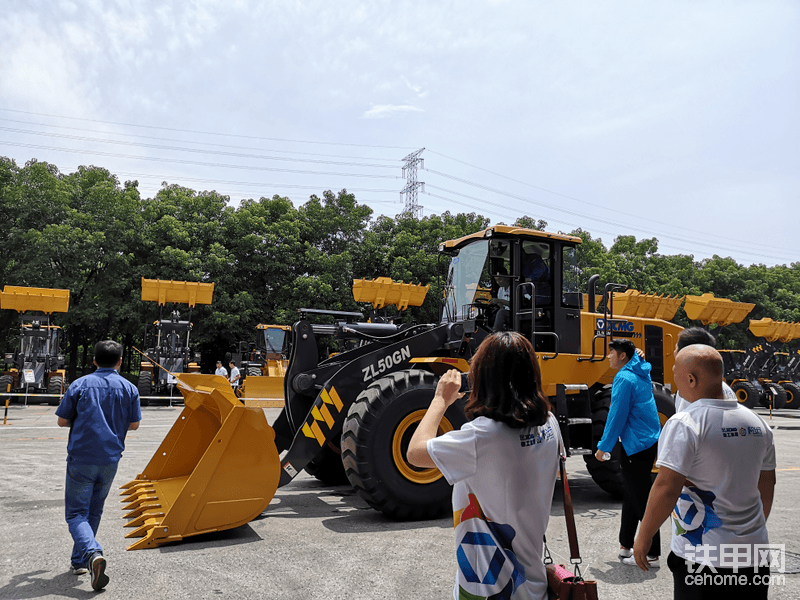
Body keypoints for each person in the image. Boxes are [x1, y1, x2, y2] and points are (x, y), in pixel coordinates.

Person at [407, 332, 559, 599]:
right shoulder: (549, 423)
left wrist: (440, 399)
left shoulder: (482, 436)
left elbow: (415, 453)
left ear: (483, 377)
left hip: (488, 592)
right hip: (534, 587)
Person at [633, 345, 776, 599]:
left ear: (691, 379)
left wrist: (644, 536)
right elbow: (767, 485)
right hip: (754, 554)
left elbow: (667, 488)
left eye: (676, 371)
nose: (673, 378)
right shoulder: (757, 423)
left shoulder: (686, 423)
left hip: (701, 558)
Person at [55, 340, 141, 591]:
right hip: (110, 459)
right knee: (93, 511)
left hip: (82, 457)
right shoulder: (130, 388)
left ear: (94, 360)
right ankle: (80, 562)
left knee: (75, 513)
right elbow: (134, 424)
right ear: (120, 362)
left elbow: (62, 421)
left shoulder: (80, 385)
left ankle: (92, 553)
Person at [595, 338, 662, 567]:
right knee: (633, 493)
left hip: (635, 444)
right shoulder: (641, 371)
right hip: (647, 440)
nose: (609, 357)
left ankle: (651, 552)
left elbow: (616, 415)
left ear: (623, 355)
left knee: (641, 498)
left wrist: (604, 447)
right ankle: (626, 546)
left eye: (611, 353)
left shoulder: (624, 377)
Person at [673, 328, 735, 412]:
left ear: (685, 352)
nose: (674, 352)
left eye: (676, 348)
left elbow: (683, 422)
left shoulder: (690, 392)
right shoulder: (724, 389)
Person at [490, 267, 512, 331]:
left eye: (500, 279)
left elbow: (515, 304)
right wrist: (496, 303)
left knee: (501, 312)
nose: (498, 282)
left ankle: (495, 333)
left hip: (513, 314)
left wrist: (500, 301)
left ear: (506, 277)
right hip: (505, 313)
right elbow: (501, 306)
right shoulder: (500, 289)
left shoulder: (514, 287)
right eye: (496, 280)